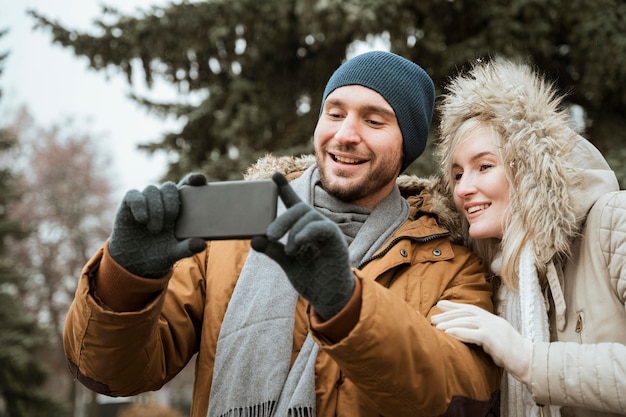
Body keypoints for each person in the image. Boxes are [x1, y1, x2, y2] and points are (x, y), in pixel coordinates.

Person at [63, 51, 501, 417]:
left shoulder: (450, 262)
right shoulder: (228, 237)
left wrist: (346, 304)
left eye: (374, 121)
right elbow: (111, 373)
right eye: (335, 113)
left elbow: (462, 395)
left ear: (406, 145)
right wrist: (126, 278)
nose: (346, 135)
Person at [431, 56, 626, 417]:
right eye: (457, 174)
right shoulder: (491, 274)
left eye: (484, 166)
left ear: (532, 170)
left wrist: (527, 359)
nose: (464, 189)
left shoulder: (615, 222)